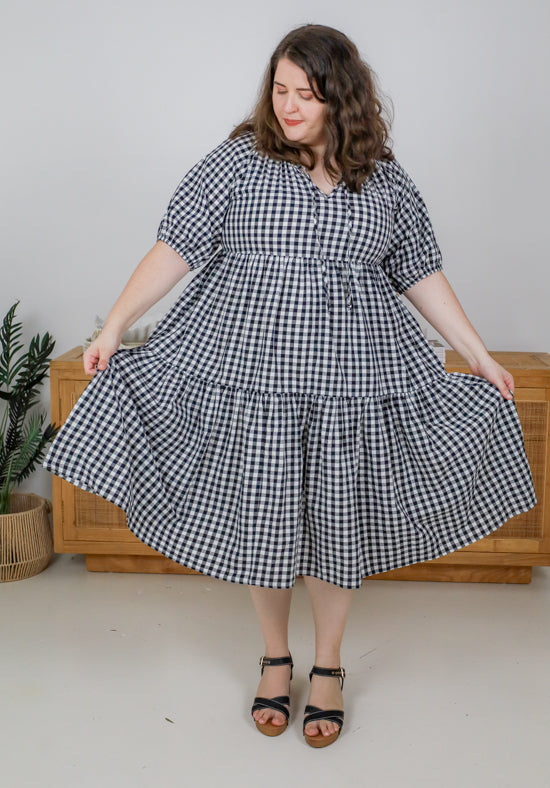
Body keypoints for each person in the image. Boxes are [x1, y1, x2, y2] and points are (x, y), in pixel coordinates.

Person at [43, 24, 537, 748]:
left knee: (336, 524)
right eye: (280, 90)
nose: (290, 106)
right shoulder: (239, 162)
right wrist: (116, 324)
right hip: (249, 374)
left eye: (307, 93)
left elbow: (421, 273)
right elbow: (176, 243)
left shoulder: (385, 179)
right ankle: (276, 659)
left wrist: (480, 355)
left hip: (350, 378)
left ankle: (328, 666)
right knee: (265, 519)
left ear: (343, 97)